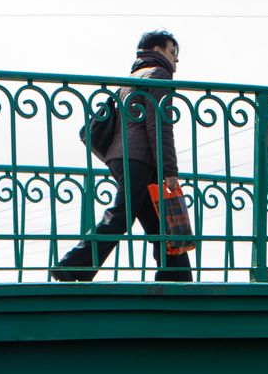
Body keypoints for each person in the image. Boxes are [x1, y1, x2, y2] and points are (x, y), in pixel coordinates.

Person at [51, 31, 193, 283]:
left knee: (160, 222)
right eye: (173, 52)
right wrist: (169, 170)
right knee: (121, 216)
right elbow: (159, 125)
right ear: (158, 49)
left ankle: (177, 276)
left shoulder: (131, 78)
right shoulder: (159, 76)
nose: (176, 60)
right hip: (138, 158)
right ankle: (73, 265)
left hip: (123, 157)